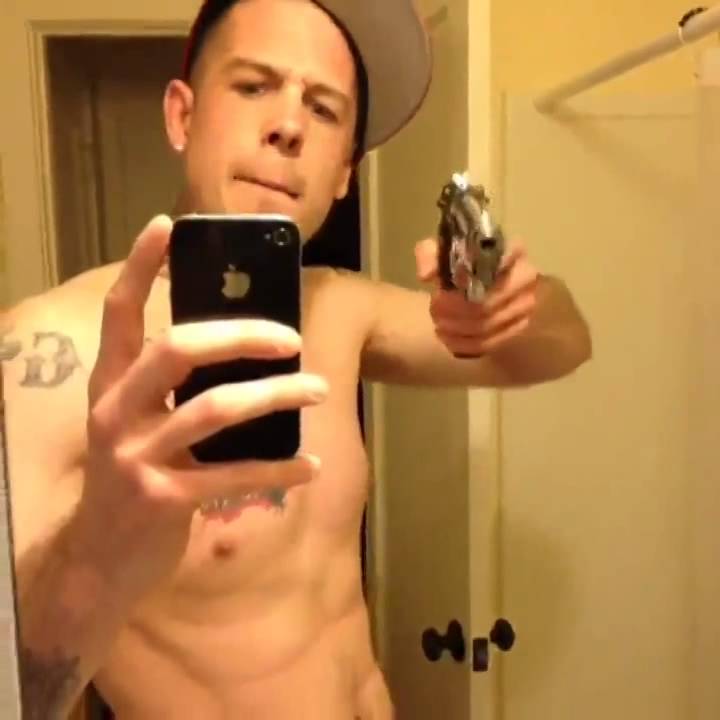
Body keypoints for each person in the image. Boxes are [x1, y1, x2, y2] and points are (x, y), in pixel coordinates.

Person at [1, 0, 592, 718]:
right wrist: (96, 550)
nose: (288, 125)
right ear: (182, 116)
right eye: (254, 85)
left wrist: (512, 306)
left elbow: (562, 349)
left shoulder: (342, 309)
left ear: (344, 172)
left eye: (323, 108)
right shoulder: (51, 353)